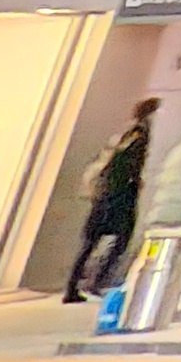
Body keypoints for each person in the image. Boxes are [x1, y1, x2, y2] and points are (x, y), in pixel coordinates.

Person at [61, 101, 156, 307]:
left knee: (91, 243)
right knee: (120, 240)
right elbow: (127, 164)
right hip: (118, 197)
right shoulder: (140, 134)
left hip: (107, 195)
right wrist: (133, 182)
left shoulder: (128, 133)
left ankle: (75, 286)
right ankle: (97, 280)